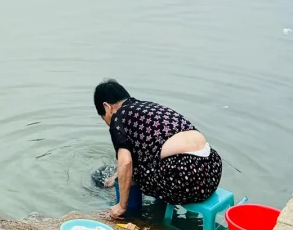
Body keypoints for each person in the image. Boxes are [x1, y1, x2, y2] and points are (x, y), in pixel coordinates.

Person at [93, 78, 222, 219]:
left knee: (133, 172)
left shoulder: (118, 118)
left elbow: (126, 163)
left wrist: (121, 205)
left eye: (103, 117)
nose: (106, 121)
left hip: (185, 180)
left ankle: (132, 214)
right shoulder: (146, 108)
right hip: (211, 174)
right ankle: (159, 210)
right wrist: (117, 175)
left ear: (107, 107)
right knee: (144, 162)